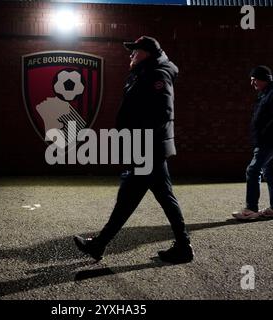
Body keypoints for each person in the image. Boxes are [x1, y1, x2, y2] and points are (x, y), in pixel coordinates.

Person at [73, 36, 194, 264]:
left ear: (147, 53)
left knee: (128, 199)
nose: (130, 55)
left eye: (135, 51)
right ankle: (183, 246)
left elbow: (162, 113)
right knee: (161, 197)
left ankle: (99, 244)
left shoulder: (157, 74)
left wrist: (140, 144)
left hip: (148, 148)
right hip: (147, 147)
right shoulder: (144, 72)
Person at [232, 65, 273, 220]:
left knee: (252, 170)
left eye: (254, 79)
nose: (252, 83)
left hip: (269, 141)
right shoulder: (265, 93)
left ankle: (251, 209)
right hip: (264, 140)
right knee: (270, 172)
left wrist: (264, 134)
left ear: (265, 78)